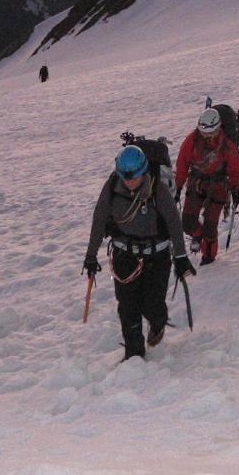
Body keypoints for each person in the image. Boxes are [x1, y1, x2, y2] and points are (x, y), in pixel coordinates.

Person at [83, 144, 195, 359]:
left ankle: (157, 321)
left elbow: (173, 223)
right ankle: (134, 356)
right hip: (125, 255)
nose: (129, 182)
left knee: (152, 304)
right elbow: (99, 219)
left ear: (143, 171)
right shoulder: (112, 186)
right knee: (127, 307)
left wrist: (181, 257)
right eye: (125, 177)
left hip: (157, 256)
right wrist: (90, 255)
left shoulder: (157, 189)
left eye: (133, 177)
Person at [174, 108, 239, 265]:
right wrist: (178, 187)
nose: (205, 135)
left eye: (209, 132)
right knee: (187, 222)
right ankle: (197, 235)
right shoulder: (191, 141)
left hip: (218, 186)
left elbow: (235, 169)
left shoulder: (226, 145)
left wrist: (234, 189)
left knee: (210, 226)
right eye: (203, 131)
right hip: (196, 184)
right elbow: (182, 165)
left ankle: (209, 257)